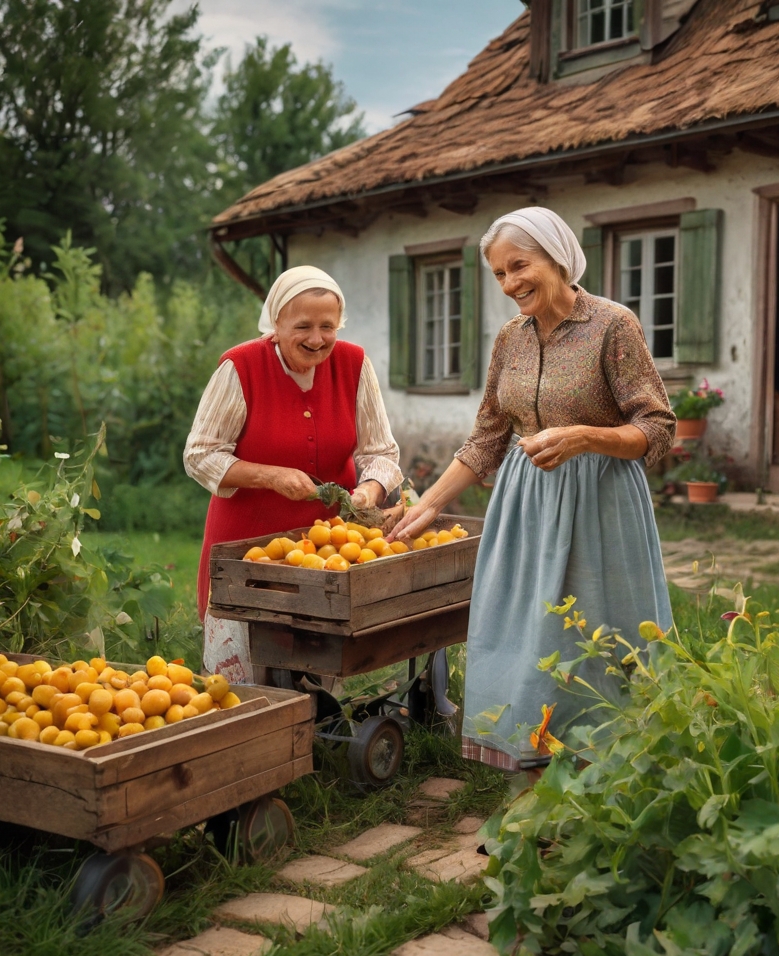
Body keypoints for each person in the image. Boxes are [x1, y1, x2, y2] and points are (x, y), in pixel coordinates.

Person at [389, 207, 676, 772]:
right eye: (499, 273)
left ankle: (610, 765)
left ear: (558, 257)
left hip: (599, 501)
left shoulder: (612, 325)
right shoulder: (510, 338)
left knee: (597, 634)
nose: (509, 283)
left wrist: (585, 437)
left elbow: (658, 427)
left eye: (519, 266)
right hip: (524, 503)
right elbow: (487, 437)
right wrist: (427, 504)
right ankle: (531, 761)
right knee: (521, 631)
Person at [184, 266, 402, 684]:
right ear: (276, 324)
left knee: (318, 667)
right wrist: (270, 477)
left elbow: (382, 451)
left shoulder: (354, 363)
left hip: (327, 550)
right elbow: (200, 454)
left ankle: (318, 721)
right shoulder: (241, 367)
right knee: (244, 680)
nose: (317, 339)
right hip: (246, 548)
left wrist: (370, 489)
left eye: (327, 326)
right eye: (303, 326)